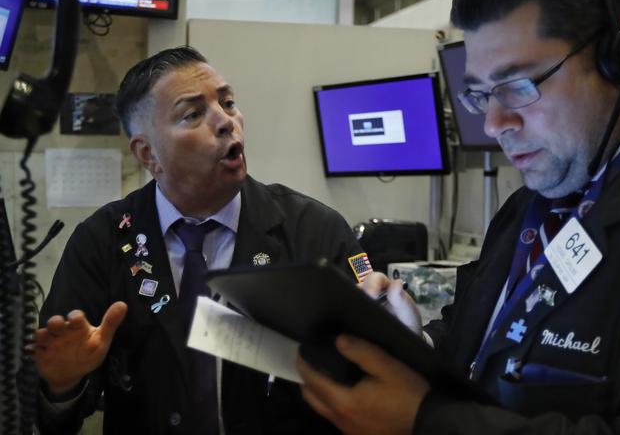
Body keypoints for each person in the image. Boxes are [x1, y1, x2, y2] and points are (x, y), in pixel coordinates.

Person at [296, 0, 620, 433]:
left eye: (519, 85)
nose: (494, 123)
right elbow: (484, 350)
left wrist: (424, 422)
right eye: (481, 93)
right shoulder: (527, 208)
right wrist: (411, 345)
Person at [33, 46, 369, 434]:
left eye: (227, 102)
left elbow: (370, 381)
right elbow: (54, 418)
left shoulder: (314, 230)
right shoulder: (102, 239)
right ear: (148, 153)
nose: (226, 121)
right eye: (192, 114)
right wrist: (62, 385)